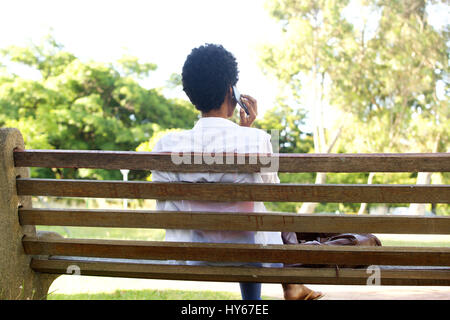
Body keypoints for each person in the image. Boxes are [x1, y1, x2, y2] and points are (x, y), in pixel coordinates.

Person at [151, 43, 322, 300]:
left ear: (191, 95)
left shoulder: (165, 146)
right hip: (253, 252)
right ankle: (292, 285)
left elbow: (165, 210)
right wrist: (248, 131)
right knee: (258, 226)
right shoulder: (259, 140)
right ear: (232, 91)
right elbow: (271, 196)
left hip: (194, 253)